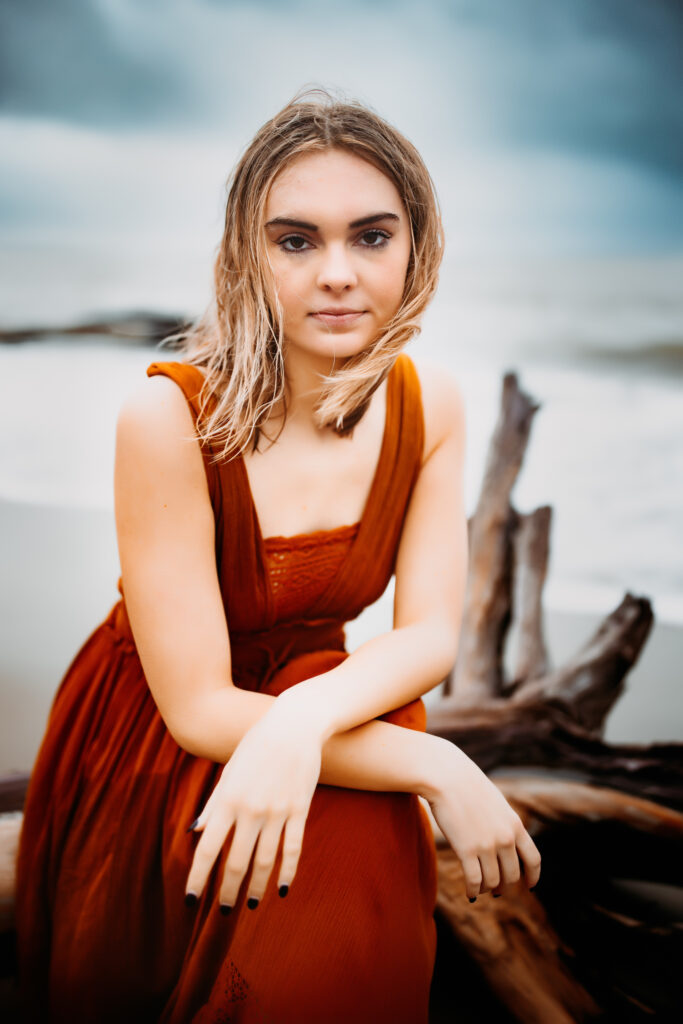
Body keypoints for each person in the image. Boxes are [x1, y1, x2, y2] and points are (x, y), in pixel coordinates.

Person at [14, 86, 541, 1023]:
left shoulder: (433, 407)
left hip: (316, 702)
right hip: (161, 735)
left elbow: (426, 637)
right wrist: (437, 767)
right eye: (295, 240)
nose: (336, 273)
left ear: (417, 244)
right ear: (244, 255)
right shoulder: (170, 416)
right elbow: (198, 708)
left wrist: (300, 727)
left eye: (371, 237)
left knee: (356, 834)